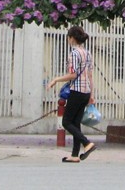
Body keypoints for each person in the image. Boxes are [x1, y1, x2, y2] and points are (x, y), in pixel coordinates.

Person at [47, 25, 97, 163]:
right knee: (75, 123)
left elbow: (72, 74)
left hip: (76, 91)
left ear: (72, 38)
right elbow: (91, 75)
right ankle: (75, 155)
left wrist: (56, 79)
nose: (67, 40)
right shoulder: (88, 53)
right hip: (86, 91)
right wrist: (92, 95)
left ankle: (87, 143)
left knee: (66, 121)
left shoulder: (74, 54)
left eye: (68, 37)